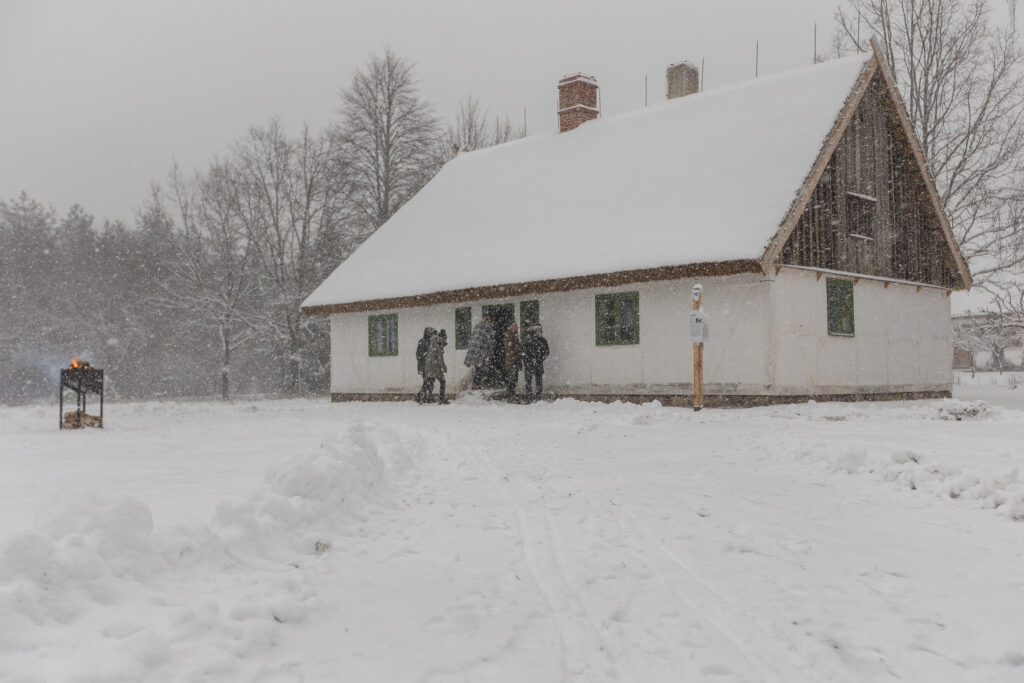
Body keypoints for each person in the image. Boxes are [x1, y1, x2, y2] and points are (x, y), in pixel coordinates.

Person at [463, 316, 495, 389]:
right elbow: (489, 342)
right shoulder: (487, 329)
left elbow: (473, 341)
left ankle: (476, 384)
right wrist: (491, 352)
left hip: (474, 351)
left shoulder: (476, 328)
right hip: (481, 351)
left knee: (478, 367)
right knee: (483, 368)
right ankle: (482, 384)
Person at [522, 323, 550, 402]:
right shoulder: (541, 339)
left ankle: (531, 398)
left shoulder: (528, 339)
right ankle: (536, 397)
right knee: (536, 381)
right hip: (535, 363)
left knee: (530, 381)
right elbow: (547, 352)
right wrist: (539, 359)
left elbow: (524, 352)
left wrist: (529, 359)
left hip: (531, 364)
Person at [425, 329, 449, 405]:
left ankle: (429, 398)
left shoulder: (431, 344)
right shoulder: (438, 346)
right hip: (435, 368)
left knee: (431, 382)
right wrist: (444, 368)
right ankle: (441, 399)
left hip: (428, 367)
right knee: (443, 381)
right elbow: (440, 359)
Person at [415, 327, 437, 403]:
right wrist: (427, 354)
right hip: (424, 366)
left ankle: (429, 397)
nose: (432, 335)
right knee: (426, 382)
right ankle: (420, 397)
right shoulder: (422, 342)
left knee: (432, 381)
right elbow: (419, 355)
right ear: (427, 333)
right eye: (431, 333)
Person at [503, 322, 522, 402]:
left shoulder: (515, 335)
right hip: (511, 361)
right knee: (512, 379)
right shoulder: (509, 336)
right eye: (515, 326)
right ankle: (511, 396)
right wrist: (519, 351)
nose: (517, 327)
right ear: (511, 327)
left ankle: (512, 395)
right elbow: (509, 348)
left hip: (515, 360)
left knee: (514, 379)